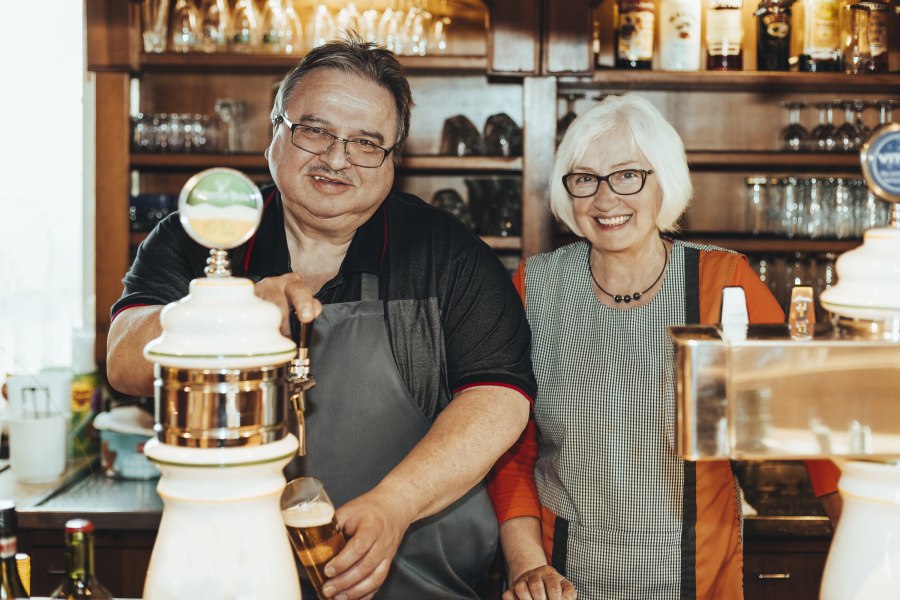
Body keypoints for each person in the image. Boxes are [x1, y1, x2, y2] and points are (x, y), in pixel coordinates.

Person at [107, 36, 536, 600]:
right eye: (315, 130)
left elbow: (500, 397)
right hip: (233, 570)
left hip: (421, 577)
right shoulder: (201, 236)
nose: (336, 158)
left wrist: (396, 503)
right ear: (275, 132)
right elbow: (123, 361)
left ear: (392, 161)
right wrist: (228, 314)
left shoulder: (448, 256)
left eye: (365, 142)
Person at [487, 94, 841, 600]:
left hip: (698, 570)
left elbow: (811, 414)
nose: (605, 200)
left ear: (664, 179)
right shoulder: (535, 285)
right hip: (562, 573)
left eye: (628, 175)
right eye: (585, 178)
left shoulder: (723, 280)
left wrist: (864, 538)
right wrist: (527, 567)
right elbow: (511, 446)